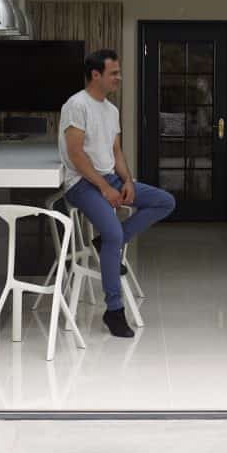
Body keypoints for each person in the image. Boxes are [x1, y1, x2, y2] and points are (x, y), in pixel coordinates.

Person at [60, 49, 176, 338]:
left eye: (118, 72)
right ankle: (114, 311)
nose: (119, 78)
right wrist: (104, 187)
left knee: (164, 201)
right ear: (95, 75)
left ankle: (108, 240)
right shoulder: (76, 105)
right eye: (114, 73)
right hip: (82, 184)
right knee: (113, 236)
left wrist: (127, 182)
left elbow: (116, 151)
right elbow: (76, 155)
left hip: (110, 178)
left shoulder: (111, 110)